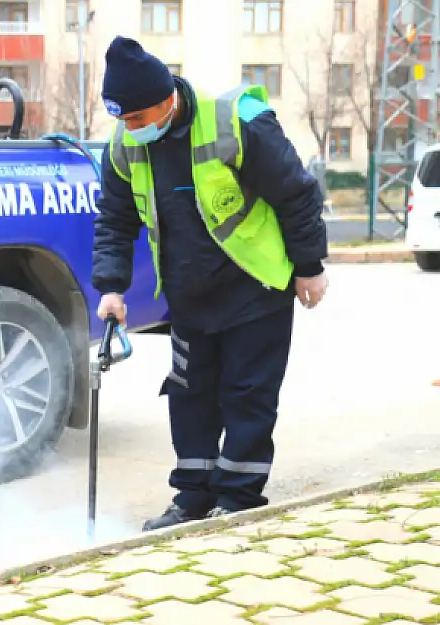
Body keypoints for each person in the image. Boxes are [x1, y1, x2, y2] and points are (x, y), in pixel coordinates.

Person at [90, 36, 329, 532]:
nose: (130, 129)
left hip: (254, 288)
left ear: (165, 98)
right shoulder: (124, 148)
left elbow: (297, 193)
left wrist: (309, 265)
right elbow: (114, 220)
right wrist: (110, 288)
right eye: (123, 120)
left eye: (137, 118)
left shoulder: (234, 124)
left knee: (247, 394)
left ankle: (238, 498)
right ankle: (193, 499)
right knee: (189, 395)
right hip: (189, 297)